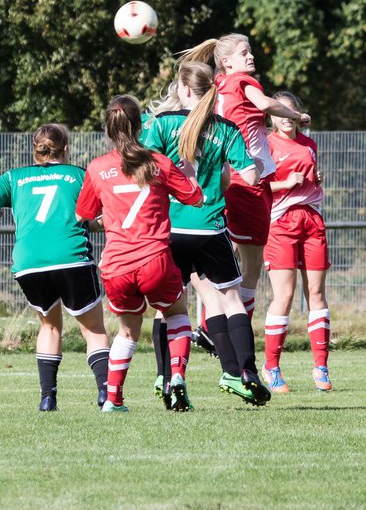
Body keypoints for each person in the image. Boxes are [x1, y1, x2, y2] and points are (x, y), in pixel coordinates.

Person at [141, 62, 269, 406]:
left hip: (168, 229)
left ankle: (166, 377)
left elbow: (144, 167)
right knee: (231, 300)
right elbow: (251, 177)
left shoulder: (162, 124)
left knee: (168, 307)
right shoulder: (225, 128)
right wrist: (228, 172)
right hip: (210, 228)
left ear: (183, 91)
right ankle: (246, 373)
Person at [75, 95, 203, 413]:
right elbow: (197, 198)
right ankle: (176, 377)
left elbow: (83, 216)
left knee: (127, 331)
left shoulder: (97, 168)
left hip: (116, 264)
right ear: (141, 126)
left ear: (108, 129)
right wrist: (188, 171)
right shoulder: (158, 163)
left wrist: (110, 218)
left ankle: (114, 400)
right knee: (176, 314)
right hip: (154, 259)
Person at [177, 35, 310, 325]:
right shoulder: (240, 82)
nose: (251, 57)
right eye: (244, 52)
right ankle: (237, 329)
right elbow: (264, 103)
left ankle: (208, 322)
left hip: (220, 177)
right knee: (251, 269)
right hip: (247, 180)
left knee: (217, 258)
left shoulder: (218, 85)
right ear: (226, 62)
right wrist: (297, 115)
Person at [0, 123, 111, 412]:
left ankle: (48, 398)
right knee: (94, 329)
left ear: (35, 150)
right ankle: (105, 394)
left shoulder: (16, 177)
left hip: (29, 263)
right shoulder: (78, 175)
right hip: (71, 259)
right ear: (65, 148)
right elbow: (93, 217)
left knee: (50, 326)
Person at [262, 91, 332, 393]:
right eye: (278, 113)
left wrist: (316, 178)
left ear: (297, 115)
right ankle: (271, 367)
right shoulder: (265, 144)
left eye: (289, 112)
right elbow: (256, 183)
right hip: (279, 224)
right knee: (285, 296)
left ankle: (321, 368)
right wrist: (285, 184)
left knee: (316, 293)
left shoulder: (309, 144)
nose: (284, 118)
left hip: (312, 220)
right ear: (271, 117)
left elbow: (311, 176)